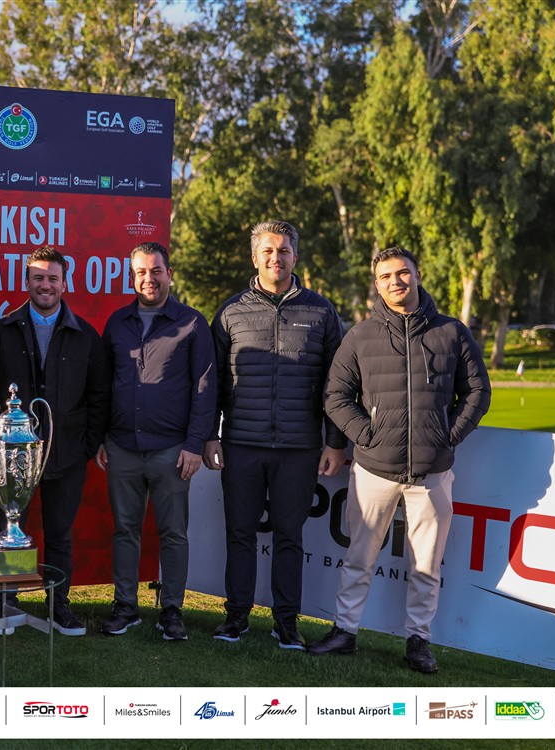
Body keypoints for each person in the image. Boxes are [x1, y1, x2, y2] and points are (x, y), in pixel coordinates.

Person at [310, 247, 490, 673]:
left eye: (403, 273)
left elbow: (478, 392)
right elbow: (336, 396)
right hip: (373, 469)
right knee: (358, 558)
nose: (396, 281)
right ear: (377, 284)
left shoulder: (452, 332)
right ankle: (344, 631)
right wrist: (367, 435)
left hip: (432, 472)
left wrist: (447, 436)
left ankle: (418, 641)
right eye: (386, 276)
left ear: (417, 275)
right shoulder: (360, 336)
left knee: (426, 566)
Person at [202, 220, 346, 649]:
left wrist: (335, 442)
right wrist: (210, 435)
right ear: (255, 257)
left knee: (289, 536)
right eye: (267, 250)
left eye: (283, 250)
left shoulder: (322, 311)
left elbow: (337, 384)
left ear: (295, 257)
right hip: (241, 445)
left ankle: (286, 621)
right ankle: (236, 616)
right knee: (240, 533)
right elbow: (212, 381)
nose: (275, 258)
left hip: (299, 448)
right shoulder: (230, 312)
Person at [0, 245, 110, 636]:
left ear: (64, 283)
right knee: (11, 530)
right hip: (12, 458)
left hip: (66, 453)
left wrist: (86, 445)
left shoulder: (86, 336)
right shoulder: (1, 332)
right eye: (38, 277)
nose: (45, 285)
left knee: (59, 534)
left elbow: (99, 397)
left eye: (53, 278)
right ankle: (8, 603)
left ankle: (59, 605)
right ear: (26, 281)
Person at [96, 242, 216, 641]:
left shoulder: (192, 323)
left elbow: (204, 389)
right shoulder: (117, 323)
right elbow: (103, 385)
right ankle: (125, 605)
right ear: (132, 277)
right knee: (125, 531)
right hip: (122, 447)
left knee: (173, 533)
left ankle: (172, 610)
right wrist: (102, 437)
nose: (149, 279)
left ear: (169, 274)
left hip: (172, 450)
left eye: (156, 271)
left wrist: (194, 444)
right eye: (141, 272)